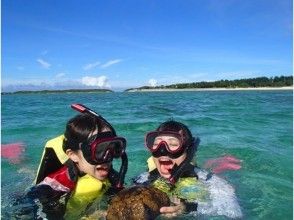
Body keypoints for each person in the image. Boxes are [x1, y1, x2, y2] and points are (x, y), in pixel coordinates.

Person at [13, 104, 128, 219]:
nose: (107, 158)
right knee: (25, 171)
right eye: (99, 150)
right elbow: (23, 207)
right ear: (73, 155)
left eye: (112, 147)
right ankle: (17, 158)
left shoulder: (111, 176)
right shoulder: (55, 186)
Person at [134, 120, 242, 219]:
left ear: (189, 152)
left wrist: (186, 209)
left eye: (173, 144)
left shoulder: (214, 184)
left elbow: (232, 214)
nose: (162, 151)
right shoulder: (142, 180)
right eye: (156, 144)